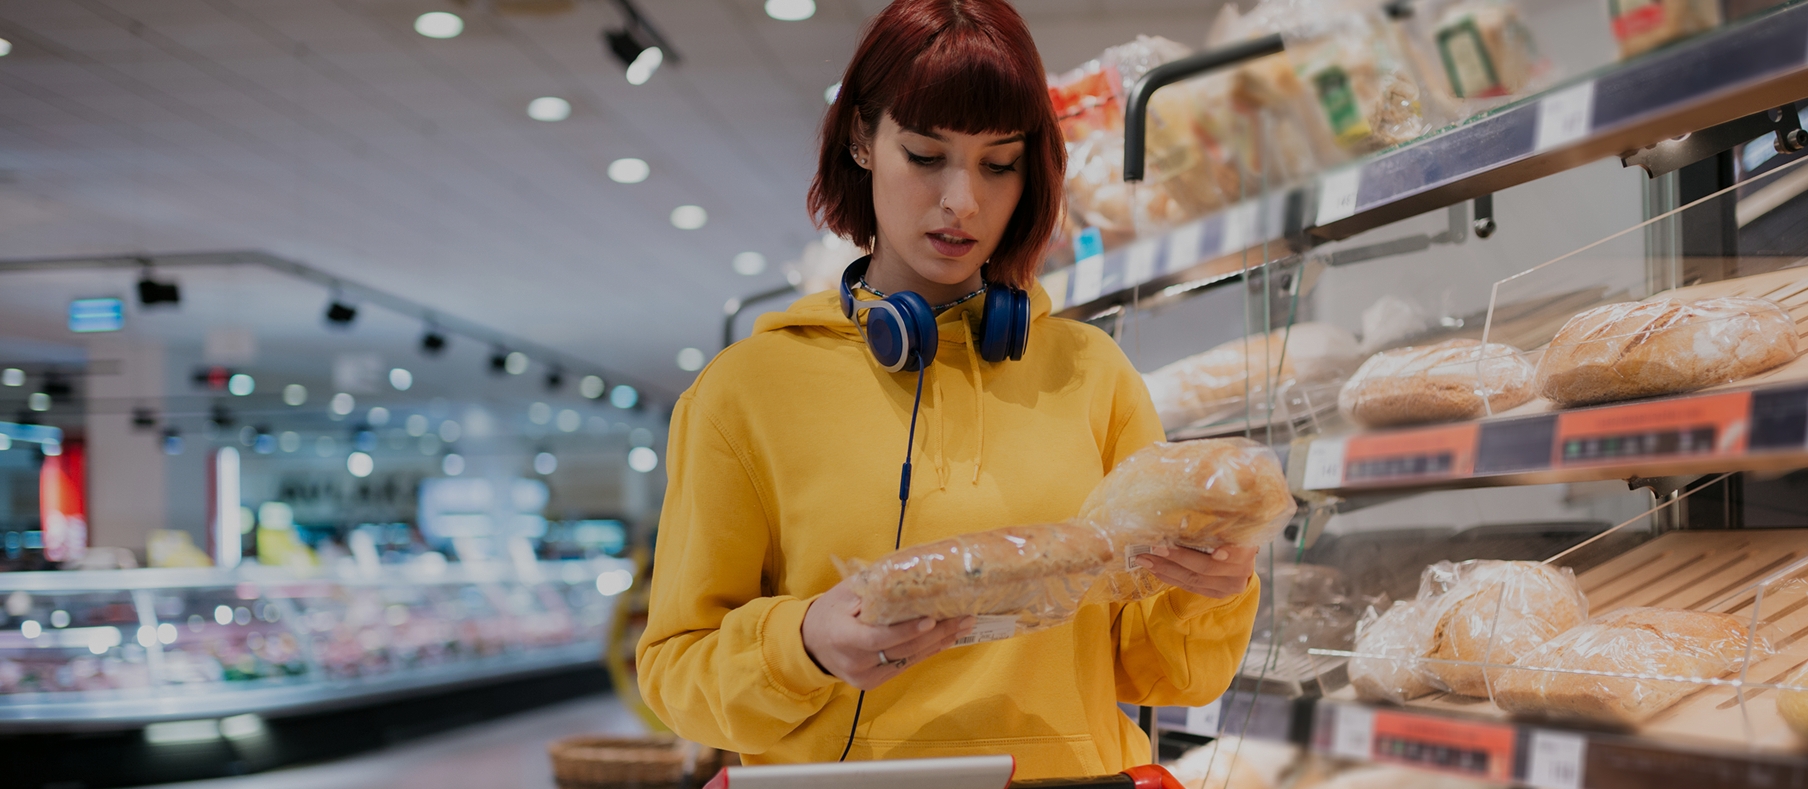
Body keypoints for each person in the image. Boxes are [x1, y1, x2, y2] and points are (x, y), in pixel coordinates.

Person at [636, 0, 1260, 778]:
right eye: (927, 155)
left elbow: (1163, 672)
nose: (963, 201)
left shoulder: (1094, 376)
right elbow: (677, 673)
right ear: (862, 139)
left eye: (998, 164)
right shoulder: (745, 392)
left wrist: (1215, 587)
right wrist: (802, 643)